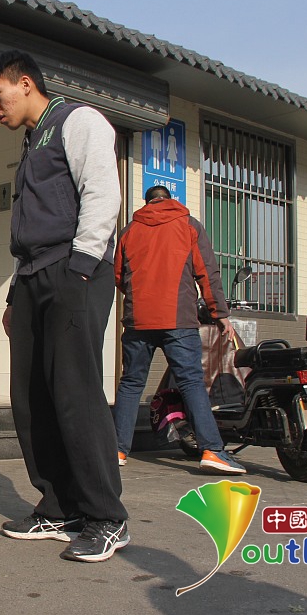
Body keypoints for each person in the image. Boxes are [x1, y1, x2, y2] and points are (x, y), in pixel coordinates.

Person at [0, 50, 129, 563]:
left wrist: (81, 267)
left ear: (25, 84)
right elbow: (30, 230)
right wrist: (14, 294)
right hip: (32, 275)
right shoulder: (32, 141)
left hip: (73, 267)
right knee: (31, 398)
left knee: (74, 392)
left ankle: (106, 517)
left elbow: (102, 193)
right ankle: (59, 506)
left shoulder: (77, 120)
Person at [112, 184, 247, 474]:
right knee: (191, 383)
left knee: (131, 383)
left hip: (138, 320)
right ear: (169, 200)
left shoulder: (129, 231)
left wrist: (141, 299)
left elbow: (119, 276)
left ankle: (117, 450)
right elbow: (207, 274)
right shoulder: (189, 225)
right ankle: (212, 450)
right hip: (179, 320)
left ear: (147, 202)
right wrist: (220, 314)